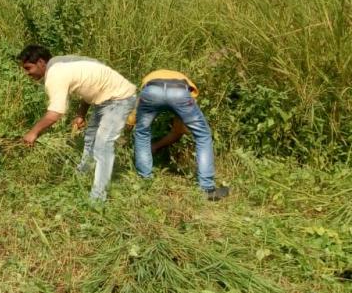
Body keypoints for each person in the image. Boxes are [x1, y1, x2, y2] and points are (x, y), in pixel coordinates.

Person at [17, 45, 137, 202]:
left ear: (40, 62)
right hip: (103, 98)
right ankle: (83, 173)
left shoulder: (55, 73)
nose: (27, 73)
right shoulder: (60, 64)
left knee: (103, 146)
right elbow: (88, 86)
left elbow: (54, 114)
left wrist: (33, 132)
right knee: (90, 137)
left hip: (119, 99)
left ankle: (98, 199)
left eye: (28, 68)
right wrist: (81, 114)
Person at [128, 70, 230, 201]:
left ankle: (144, 181)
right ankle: (207, 188)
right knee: (202, 135)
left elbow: (137, 109)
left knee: (142, 132)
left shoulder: (151, 77)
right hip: (179, 92)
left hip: (152, 90)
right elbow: (179, 130)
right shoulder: (186, 84)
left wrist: (130, 122)